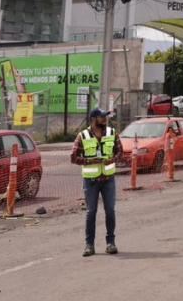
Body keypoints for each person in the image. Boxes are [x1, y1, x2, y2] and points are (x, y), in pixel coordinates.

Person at [71, 107, 123, 257]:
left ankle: (110, 243)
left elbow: (120, 152)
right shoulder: (83, 136)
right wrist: (88, 160)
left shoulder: (112, 133)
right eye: (102, 117)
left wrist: (112, 159)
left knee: (110, 211)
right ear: (94, 119)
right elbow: (73, 157)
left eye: (105, 116)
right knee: (91, 212)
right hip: (91, 181)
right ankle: (89, 245)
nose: (105, 119)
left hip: (108, 179)